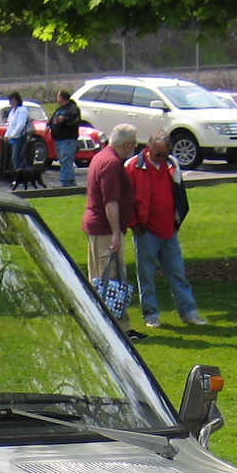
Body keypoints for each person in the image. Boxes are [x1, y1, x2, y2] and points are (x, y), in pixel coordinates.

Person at [125, 132, 204, 328]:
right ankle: (150, 315)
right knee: (146, 276)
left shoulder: (172, 164)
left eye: (164, 154)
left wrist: (177, 220)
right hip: (145, 231)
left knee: (177, 273)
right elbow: (127, 200)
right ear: (149, 148)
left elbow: (179, 194)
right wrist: (135, 225)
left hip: (169, 229)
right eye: (157, 153)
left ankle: (189, 312)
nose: (160, 157)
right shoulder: (132, 166)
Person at [81, 123, 140, 331]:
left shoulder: (102, 156)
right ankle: (111, 327)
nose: (134, 148)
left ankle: (123, 327)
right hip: (105, 229)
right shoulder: (111, 164)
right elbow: (110, 201)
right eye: (133, 144)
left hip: (100, 227)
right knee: (108, 279)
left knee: (107, 278)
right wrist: (116, 232)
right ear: (126, 145)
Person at [49, 90, 82, 186]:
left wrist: (64, 119)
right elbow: (52, 121)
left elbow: (75, 120)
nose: (57, 98)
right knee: (64, 161)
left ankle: (64, 182)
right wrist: (50, 125)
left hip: (67, 139)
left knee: (66, 160)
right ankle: (70, 181)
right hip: (59, 139)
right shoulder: (59, 109)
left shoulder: (72, 108)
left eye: (58, 96)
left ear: (62, 97)